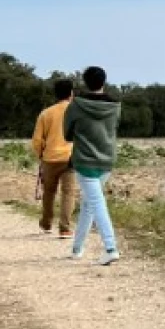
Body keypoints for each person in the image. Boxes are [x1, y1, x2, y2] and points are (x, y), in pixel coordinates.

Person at [63, 65, 122, 265]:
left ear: (85, 82)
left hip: (85, 160)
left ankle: (110, 247)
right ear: (103, 82)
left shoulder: (77, 105)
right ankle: (77, 248)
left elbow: (67, 134)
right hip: (107, 160)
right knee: (89, 204)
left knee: (96, 203)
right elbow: (114, 128)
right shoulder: (115, 105)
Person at [30, 76, 77, 237]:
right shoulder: (76, 112)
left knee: (49, 192)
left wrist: (40, 155)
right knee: (68, 193)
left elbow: (37, 140)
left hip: (50, 158)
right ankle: (65, 228)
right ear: (71, 93)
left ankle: (46, 223)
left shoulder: (46, 113)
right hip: (71, 158)